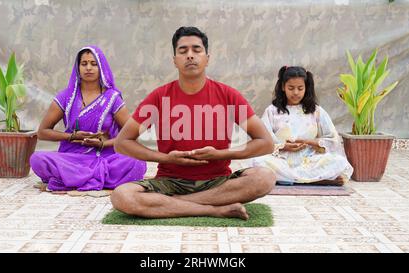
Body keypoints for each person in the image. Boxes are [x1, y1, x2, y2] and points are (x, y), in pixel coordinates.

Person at [111, 27, 276, 220]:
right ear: (174, 60)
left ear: (207, 57)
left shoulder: (227, 95)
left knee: (265, 178)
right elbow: (122, 143)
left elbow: (266, 142)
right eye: (183, 51)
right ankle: (213, 210)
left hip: (218, 183)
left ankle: (177, 203)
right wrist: (166, 158)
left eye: (196, 50)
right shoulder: (159, 97)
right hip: (169, 183)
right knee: (121, 196)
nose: (190, 56)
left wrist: (220, 154)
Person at [30, 46, 147, 192]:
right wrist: (72, 136)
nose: (89, 68)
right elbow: (42, 132)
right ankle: (97, 178)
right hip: (72, 158)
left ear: (101, 67)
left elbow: (132, 133)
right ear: (78, 68)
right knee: (37, 159)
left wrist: (104, 144)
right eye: (84, 64)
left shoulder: (112, 98)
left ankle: (76, 178)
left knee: (137, 161)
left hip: (105, 158)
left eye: (94, 63)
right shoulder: (66, 97)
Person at [248, 66, 353, 185]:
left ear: (306, 88)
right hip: (281, 160)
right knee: (257, 162)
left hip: (309, 160)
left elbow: (333, 140)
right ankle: (315, 180)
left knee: (339, 162)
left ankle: (290, 179)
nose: (296, 92)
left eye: (300, 88)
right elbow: (263, 139)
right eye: (291, 88)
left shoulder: (316, 111)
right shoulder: (272, 111)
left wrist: (308, 142)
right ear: (283, 87)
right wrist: (283, 146)